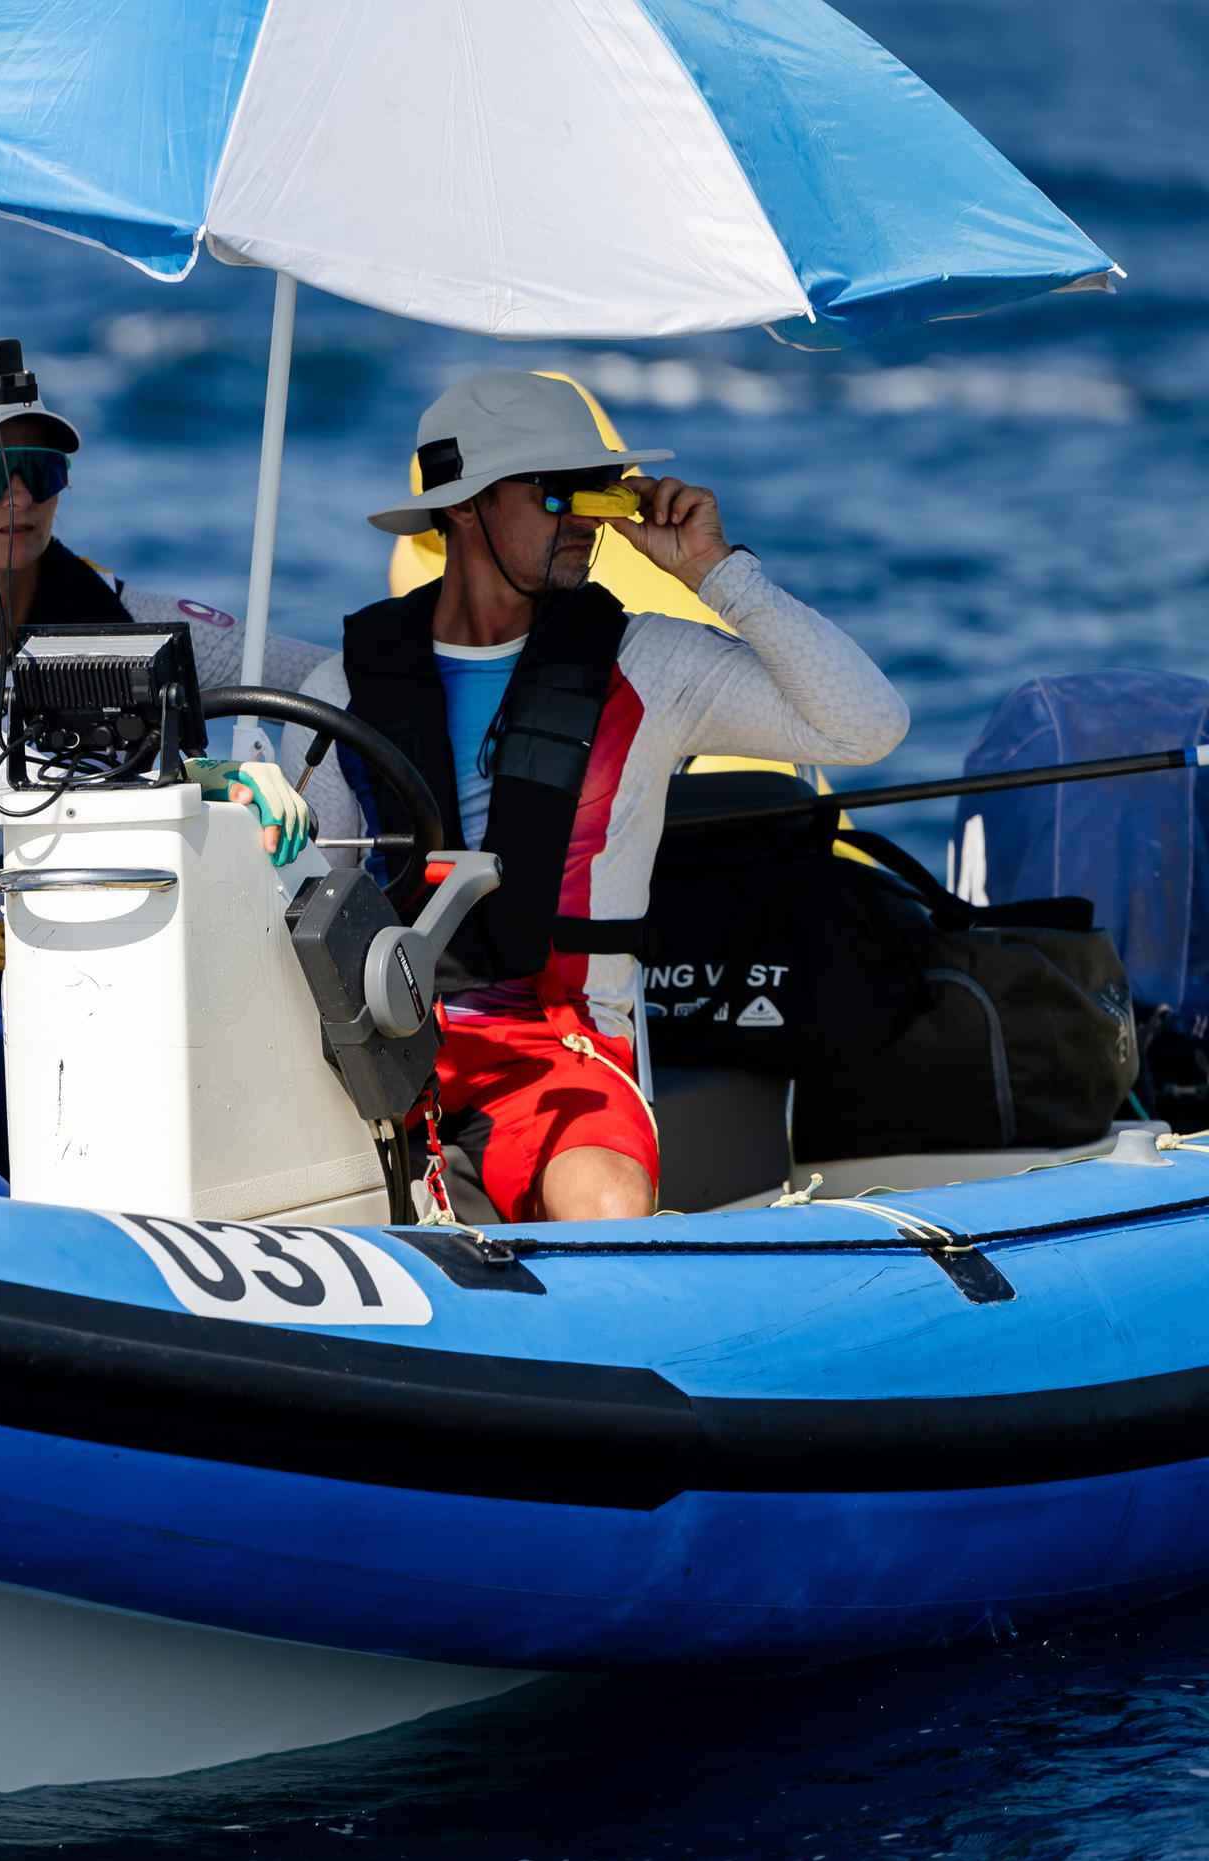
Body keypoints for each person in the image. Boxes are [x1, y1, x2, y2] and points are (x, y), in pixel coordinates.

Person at [284, 369, 907, 1224]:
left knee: (605, 1202)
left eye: (596, 488)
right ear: (465, 506)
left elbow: (866, 726)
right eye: (556, 491)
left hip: (560, 1052)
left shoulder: (649, 664)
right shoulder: (340, 688)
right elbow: (306, 911)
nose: (589, 514)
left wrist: (714, 571)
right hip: (385, 1047)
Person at [0, 389, 329, 996]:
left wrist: (235, 776)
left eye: (40, 471)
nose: (19, 496)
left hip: (70, 959)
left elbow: (333, 679)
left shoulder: (120, 613)